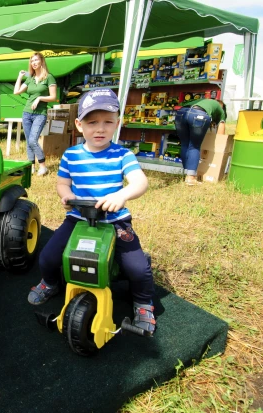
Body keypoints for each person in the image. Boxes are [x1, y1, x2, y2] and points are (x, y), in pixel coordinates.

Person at [27, 89, 156, 335]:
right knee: (49, 257)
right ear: (79, 124)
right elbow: (62, 183)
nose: (100, 129)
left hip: (114, 221)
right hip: (78, 218)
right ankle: (52, 283)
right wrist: (65, 196)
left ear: (118, 123)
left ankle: (142, 302)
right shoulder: (71, 155)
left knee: (137, 267)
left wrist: (122, 195)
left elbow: (140, 182)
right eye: (92, 122)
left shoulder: (123, 155)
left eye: (108, 122)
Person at [14, 52, 57, 176]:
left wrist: (39, 98)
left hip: (40, 113)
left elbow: (53, 97)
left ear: (42, 61)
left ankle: (43, 167)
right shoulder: (30, 79)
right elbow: (16, 92)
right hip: (27, 113)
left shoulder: (49, 77)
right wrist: (19, 77)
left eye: (36, 60)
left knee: (33, 139)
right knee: (28, 141)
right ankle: (31, 167)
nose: (34, 63)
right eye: (32, 61)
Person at [174, 98, 226, 186]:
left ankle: (186, 173)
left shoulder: (203, 101)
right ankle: (190, 178)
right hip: (198, 115)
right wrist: (220, 145)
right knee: (194, 146)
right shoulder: (220, 108)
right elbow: (221, 127)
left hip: (181, 113)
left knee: (185, 144)